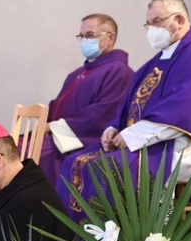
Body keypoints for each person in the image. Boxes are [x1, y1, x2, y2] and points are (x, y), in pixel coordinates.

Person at [57, 0, 191, 220]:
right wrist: (113, 129)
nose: (152, 30)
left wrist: (133, 135)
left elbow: (183, 110)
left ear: (180, 20)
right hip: (147, 142)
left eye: (157, 22)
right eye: (149, 24)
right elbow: (130, 103)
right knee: (73, 163)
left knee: (104, 171)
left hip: (178, 146)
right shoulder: (158, 60)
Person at [40, 13, 135, 186]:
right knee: (11, 146)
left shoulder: (119, 72)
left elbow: (104, 115)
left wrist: (53, 128)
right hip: (59, 137)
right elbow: (57, 106)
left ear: (110, 37)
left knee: (30, 154)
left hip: (79, 142)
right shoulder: (78, 73)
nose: (84, 41)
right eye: (81, 36)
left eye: (90, 35)